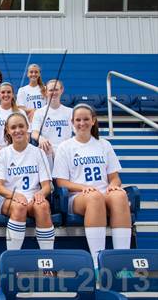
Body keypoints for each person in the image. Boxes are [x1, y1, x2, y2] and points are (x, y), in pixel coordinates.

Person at [53, 104, 131, 270]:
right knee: (94, 197)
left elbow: (115, 178)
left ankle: (122, 264)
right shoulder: (65, 147)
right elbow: (61, 182)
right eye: (78, 120)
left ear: (93, 121)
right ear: (72, 122)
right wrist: (83, 188)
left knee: (120, 195)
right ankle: (98, 263)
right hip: (78, 196)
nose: (82, 123)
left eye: (86, 119)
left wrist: (113, 186)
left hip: (103, 193)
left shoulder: (104, 145)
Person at [0, 112, 54, 250]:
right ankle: (12, 260)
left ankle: (48, 260)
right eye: (13, 127)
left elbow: (46, 186)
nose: (18, 130)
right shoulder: (2, 154)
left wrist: (41, 194)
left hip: (32, 199)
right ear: (8, 130)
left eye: (21, 126)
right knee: (20, 206)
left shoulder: (39, 153)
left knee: (42, 206)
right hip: (8, 200)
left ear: (27, 127)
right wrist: (15, 195)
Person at [0, 82, 29, 171]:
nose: (6, 95)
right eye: (3, 92)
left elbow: (27, 134)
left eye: (8, 92)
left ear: (12, 94)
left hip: (16, 146)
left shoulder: (20, 112)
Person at [31, 79, 73, 170]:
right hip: (48, 149)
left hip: (66, 149)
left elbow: (78, 132)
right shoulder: (39, 112)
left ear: (61, 90)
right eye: (50, 90)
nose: (53, 92)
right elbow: (34, 133)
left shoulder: (70, 112)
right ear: (46, 92)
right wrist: (40, 138)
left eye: (56, 89)